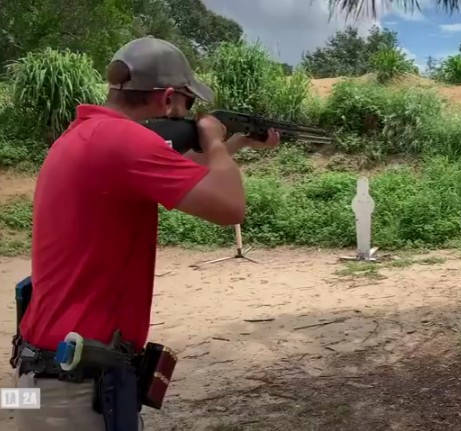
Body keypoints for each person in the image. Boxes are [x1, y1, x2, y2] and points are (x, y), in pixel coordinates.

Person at [11, 36, 280, 430]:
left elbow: (182, 171)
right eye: (189, 104)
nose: (190, 112)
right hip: (74, 388)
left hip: (49, 374)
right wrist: (214, 140)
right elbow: (229, 206)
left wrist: (234, 142)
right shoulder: (124, 141)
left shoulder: (86, 134)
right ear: (167, 98)